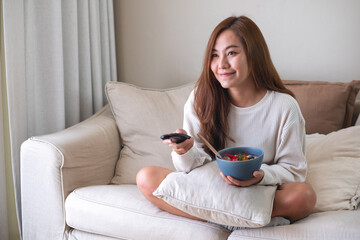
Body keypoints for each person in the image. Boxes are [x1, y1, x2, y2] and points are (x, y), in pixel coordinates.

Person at [136, 15, 316, 226]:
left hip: (256, 191)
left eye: (231, 53)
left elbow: (294, 170)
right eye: (214, 55)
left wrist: (259, 176)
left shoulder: (284, 107)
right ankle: (245, 218)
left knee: (304, 196)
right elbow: (191, 167)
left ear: (254, 55)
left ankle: (217, 215)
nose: (221, 64)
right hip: (210, 186)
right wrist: (184, 151)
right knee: (146, 177)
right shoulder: (201, 97)